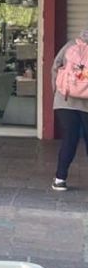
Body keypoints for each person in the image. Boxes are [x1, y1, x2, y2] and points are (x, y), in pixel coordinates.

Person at [51, 29, 88, 191]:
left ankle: (60, 179)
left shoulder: (69, 46)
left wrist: (57, 92)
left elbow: (55, 68)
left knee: (69, 139)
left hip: (64, 101)